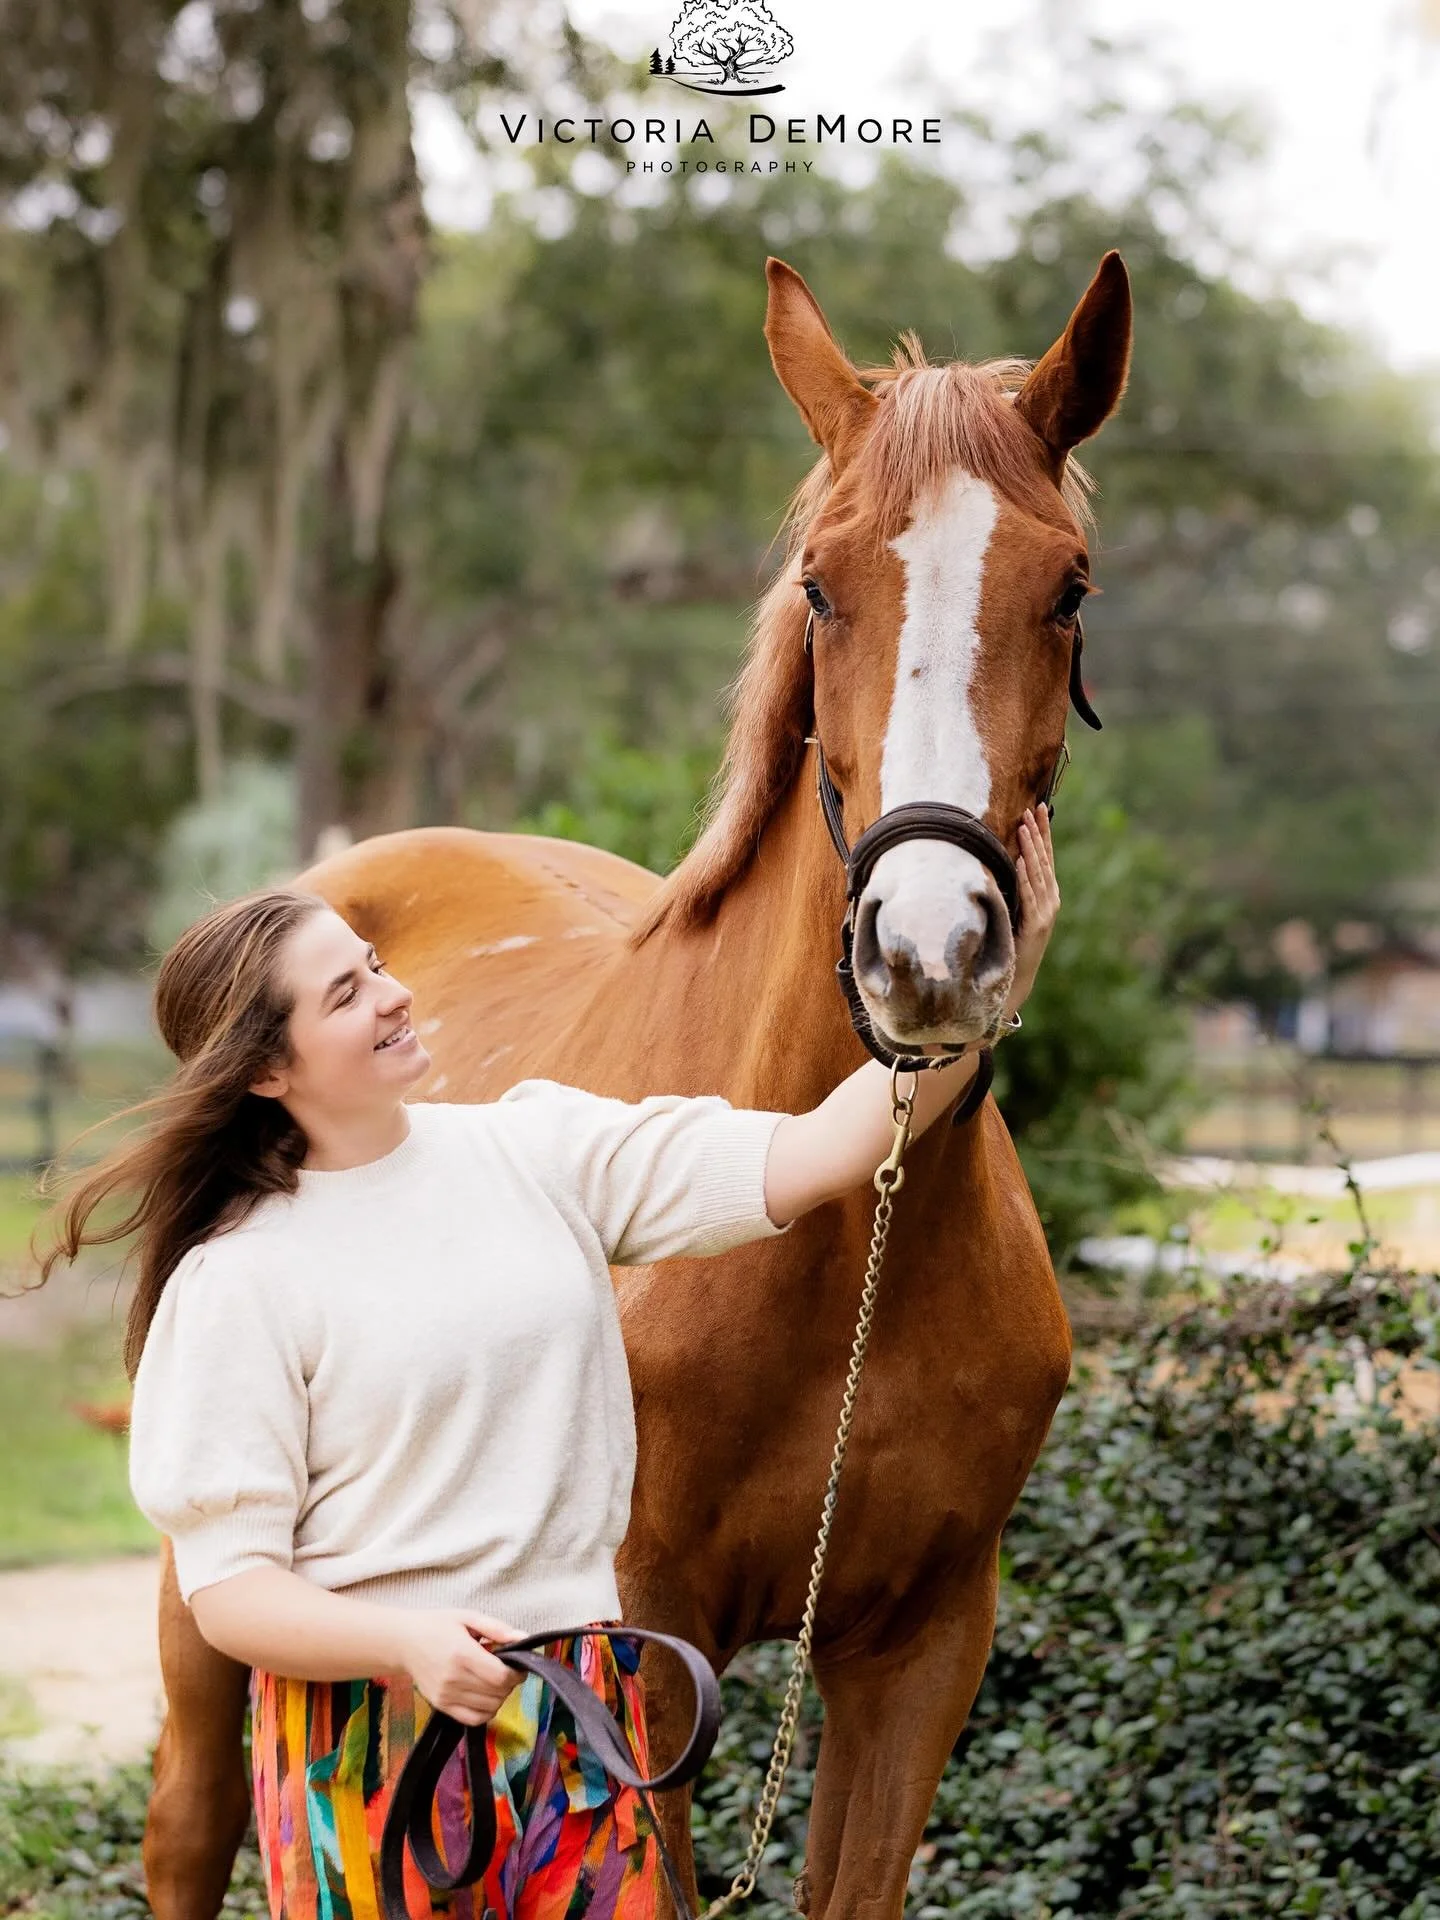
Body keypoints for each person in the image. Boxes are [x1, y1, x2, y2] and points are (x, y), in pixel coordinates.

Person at [37, 808, 1060, 1920]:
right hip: (372, 1738)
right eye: (345, 994)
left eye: (373, 966)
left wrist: (988, 996)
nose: (393, 994)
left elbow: (823, 1147)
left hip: (579, 1715)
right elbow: (230, 1592)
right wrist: (404, 1642)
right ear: (268, 1071)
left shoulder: (536, 1147)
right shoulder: (236, 1280)